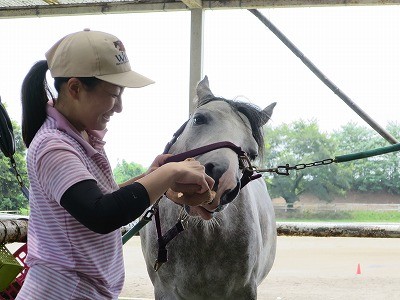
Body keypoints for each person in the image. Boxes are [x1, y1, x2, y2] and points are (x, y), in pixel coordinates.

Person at [16, 29, 214, 300]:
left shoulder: (79, 135)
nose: (119, 107)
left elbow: (95, 197)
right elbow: (101, 213)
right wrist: (171, 172)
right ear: (75, 88)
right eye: (114, 94)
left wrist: (151, 176)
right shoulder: (54, 146)